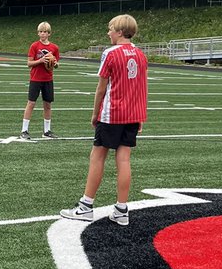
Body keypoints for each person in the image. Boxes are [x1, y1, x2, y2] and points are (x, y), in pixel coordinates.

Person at [60, 15, 147, 227]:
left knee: (97, 156)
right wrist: (140, 115)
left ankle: (86, 206)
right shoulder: (140, 54)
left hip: (112, 113)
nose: (108, 33)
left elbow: (101, 88)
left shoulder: (110, 53)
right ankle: (121, 209)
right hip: (132, 114)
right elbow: (142, 87)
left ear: (119, 31)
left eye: (110, 29)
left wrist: (95, 113)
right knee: (124, 159)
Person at [20, 21, 61, 139]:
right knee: (31, 103)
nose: (43, 34)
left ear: (49, 33)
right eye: (41, 32)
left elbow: (56, 64)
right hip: (35, 78)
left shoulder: (54, 48)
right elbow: (29, 63)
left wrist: (54, 63)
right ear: (38, 33)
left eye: (45, 32)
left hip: (48, 79)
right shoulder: (34, 46)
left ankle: (47, 131)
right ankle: (24, 130)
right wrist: (40, 60)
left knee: (47, 104)